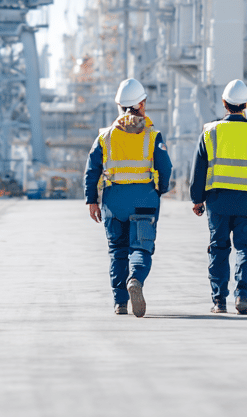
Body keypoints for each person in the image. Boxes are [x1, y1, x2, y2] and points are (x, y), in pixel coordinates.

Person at [84, 78, 173, 317]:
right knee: (141, 247)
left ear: (118, 105)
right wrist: (160, 189)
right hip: (144, 197)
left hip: (114, 201)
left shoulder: (105, 136)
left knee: (117, 250)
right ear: (142, 104)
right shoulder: (153, 135)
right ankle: (135, 278)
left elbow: (92, 170)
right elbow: (165, 167)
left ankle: (120, 302)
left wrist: (91, 200)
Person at [190, 79, 247, 315]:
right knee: (246, 249)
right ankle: (242, 294)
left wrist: (196, 199)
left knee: (219, 248)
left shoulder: (210, 132)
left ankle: (219, 301)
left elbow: (199, 167)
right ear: (246, 104)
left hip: (218, 200)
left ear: (224, 103)